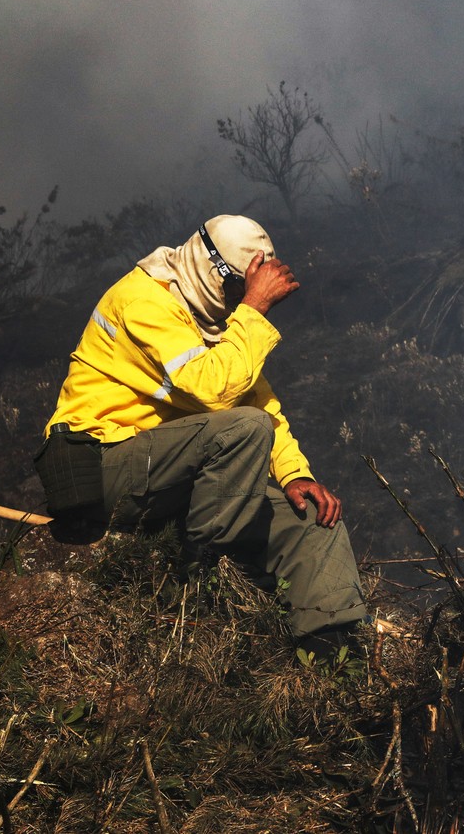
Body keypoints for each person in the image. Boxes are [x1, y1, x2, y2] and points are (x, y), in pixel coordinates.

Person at [35, 214, 367, 659]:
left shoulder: (214, 320)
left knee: (312, 519)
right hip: (100, 465)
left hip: (169, 476)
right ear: (211, 269)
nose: (239, 300)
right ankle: (203, 584)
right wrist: (255, 310)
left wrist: (293, 475)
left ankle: (332, 663)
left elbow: (259, 402)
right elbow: (213, 392)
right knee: (242, 430)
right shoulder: (142, 301)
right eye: (237, 288)